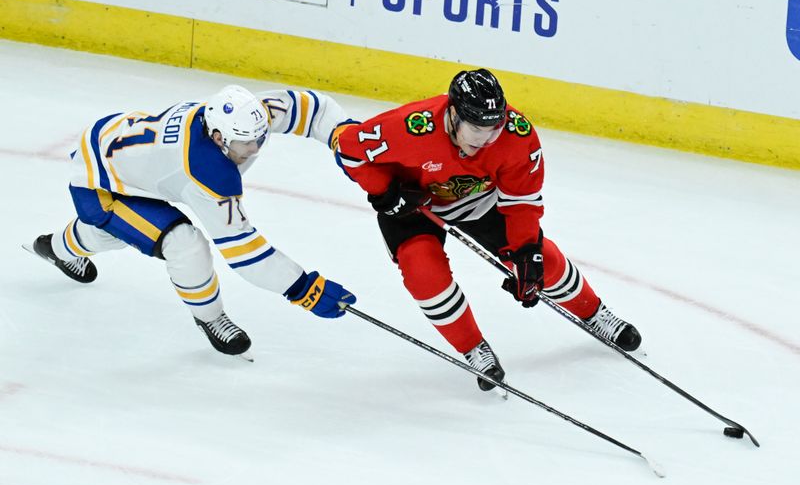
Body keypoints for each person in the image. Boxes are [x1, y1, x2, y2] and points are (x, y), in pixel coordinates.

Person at [332, 68, 640, 391]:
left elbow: (522, 202)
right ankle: (473, 348)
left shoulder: (516, 135)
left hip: (477, 202)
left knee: (541, 261)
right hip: (412, 207)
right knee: (424, 273)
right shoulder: (412, 126)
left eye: (493, 129)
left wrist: (525, 252)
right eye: (476, 130)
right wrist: (385, 191)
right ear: (453, 115)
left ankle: (597, 314)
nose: (486, 140)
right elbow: (349, 148)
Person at [27, 84, 356, 359]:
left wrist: (342, 134)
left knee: (120, 233)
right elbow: (245, 253)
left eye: (260, 139)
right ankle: (211, 318)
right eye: (245, 144)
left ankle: (56, 248)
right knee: (184, 244)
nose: (255, 148)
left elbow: (312, 109)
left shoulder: (242, 118)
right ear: (216, 137)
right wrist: (302, 287)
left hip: (121, 148)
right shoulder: (206, 172)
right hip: (100, 183)